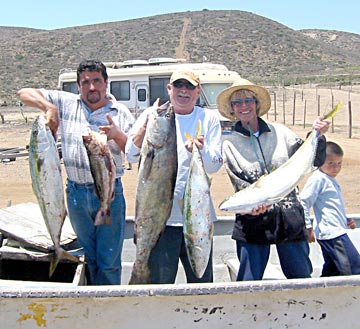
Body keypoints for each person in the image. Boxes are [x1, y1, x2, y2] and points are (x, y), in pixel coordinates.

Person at [18, 59, 135, 285]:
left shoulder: (120, 112)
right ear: (78, 85)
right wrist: (49, 108)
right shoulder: (65, 102)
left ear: (106, 83)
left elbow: (134, 154)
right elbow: (23, 92)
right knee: (89, 258)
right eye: (85, 82)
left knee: (109, 260)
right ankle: (90, 303)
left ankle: (108, 309)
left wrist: (117, 135)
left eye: (97, 81)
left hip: (110, 195)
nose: (92, 87)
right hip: (75, 194)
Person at [216, 78, 330, 281]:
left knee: (301, 278)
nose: (244, 106)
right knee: (248, 283)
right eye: (237, 103)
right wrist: (252, 208)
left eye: (248, 100)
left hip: (289, 219)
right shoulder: (229, 144)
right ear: (232, 109)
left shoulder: (282, 132)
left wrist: (317, 136)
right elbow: (240, 185)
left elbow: (313, 161)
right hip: (252, 225)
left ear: (256, 104)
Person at [125, 70, 223, 284]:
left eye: (189, 87)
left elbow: (214, 166)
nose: (184, 91)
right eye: (178, 86)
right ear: (169, 89)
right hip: (160, 222)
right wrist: (145, 125)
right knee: (160, 284)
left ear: (198, 92)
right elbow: (130, 154)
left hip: (197, 220)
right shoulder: (153, 115)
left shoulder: (208, 118)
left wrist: (201, 150)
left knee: (201, 284)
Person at [300, 141, 360, 276]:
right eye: (331, 163)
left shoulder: (330, 179)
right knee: (354, 267)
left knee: (333, 269)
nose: (336, 168)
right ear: (320, 161)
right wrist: (307, 227)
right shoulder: (318, 179)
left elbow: (331, 207)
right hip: (332, 233)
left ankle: (323, 295)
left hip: (336, 229)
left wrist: (345, 219)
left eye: (339, 163)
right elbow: (304, 202)